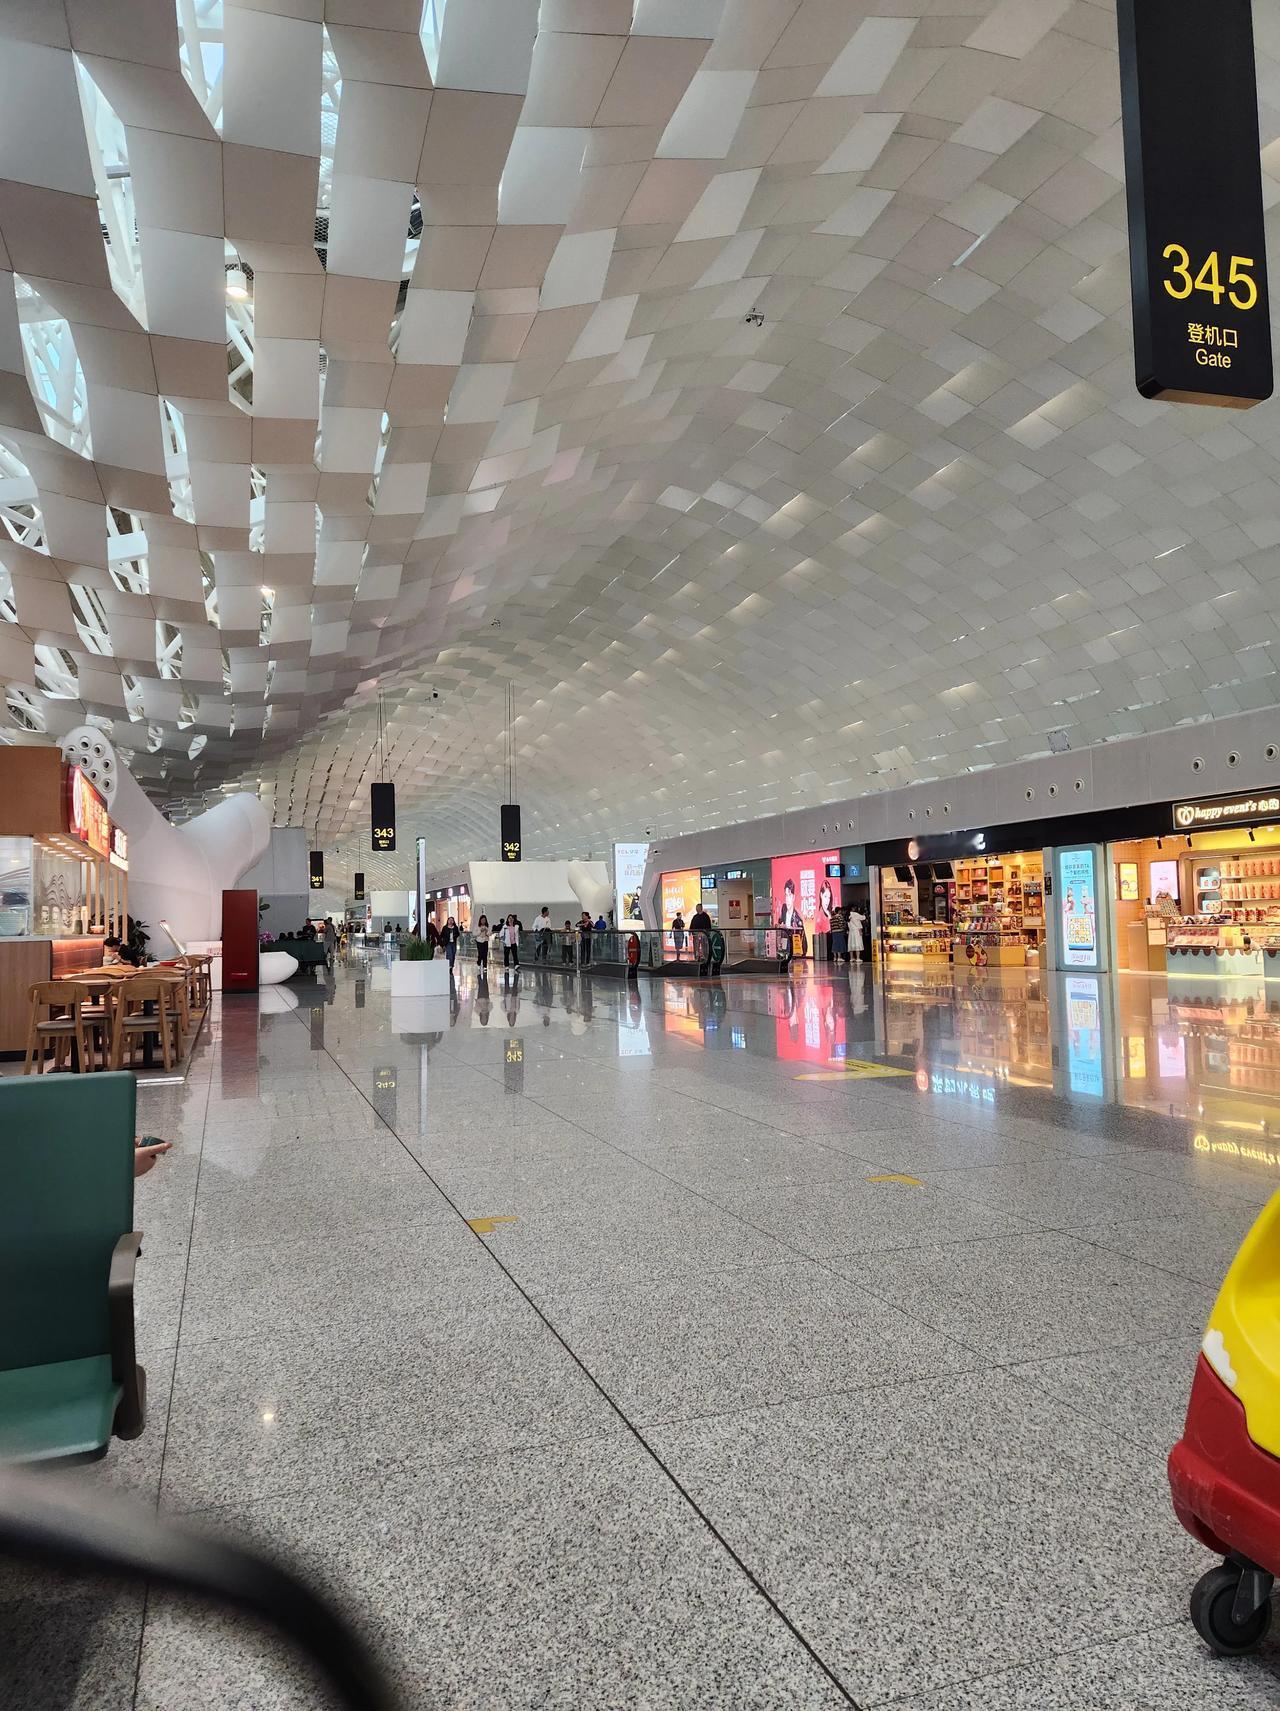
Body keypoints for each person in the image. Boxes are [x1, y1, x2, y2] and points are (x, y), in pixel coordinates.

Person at [689, 901, 713, 974]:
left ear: (701, 908)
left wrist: (706, 932)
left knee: (704, 946)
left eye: (698, 907)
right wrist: (691, 931)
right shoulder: (695, 917)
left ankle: (705, 958)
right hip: (696, 934)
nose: (697, 909)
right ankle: (696, 957)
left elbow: (708, 926)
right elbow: (692, 925)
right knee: (696, 946)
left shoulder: (706, 916)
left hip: (703, 934)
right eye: (696, 908)